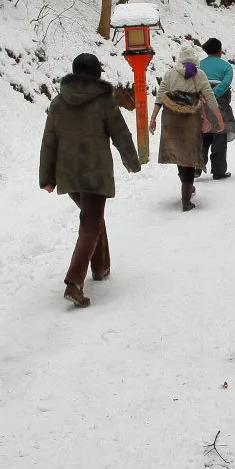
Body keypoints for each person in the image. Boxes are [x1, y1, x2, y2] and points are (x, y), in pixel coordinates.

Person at [40, 53, 141, 309]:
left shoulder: (58, 102)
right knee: (91, 223)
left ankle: (101, 266)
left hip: (68, 172)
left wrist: (47, 177)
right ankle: (74, 282)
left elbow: (49, 140)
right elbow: (120, 132)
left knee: (92, 218)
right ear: (97, 73)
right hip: (95, 171)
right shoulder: (104, 100)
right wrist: (131, 160)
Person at [149, 46, 225, 211]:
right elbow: (209, 97)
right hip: (191, 119)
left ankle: (187, 186)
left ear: (180, 59)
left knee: (179, 153)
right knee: (189, 156)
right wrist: (219, 118)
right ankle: (186, 198)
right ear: (195, 60)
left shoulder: (170, 73)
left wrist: (153, 117)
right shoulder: (199, 74)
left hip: (171, 118)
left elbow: (160, 96)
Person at [199, 37, 235, 180]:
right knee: (220, 135)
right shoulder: (226, 66)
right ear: (220, 51)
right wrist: (213, 94)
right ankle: (218, 171)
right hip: (221, 105)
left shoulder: (199, 65)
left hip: (201, 104)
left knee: (201, 136)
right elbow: (226, 83)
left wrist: (205, 95)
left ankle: (196, 167)